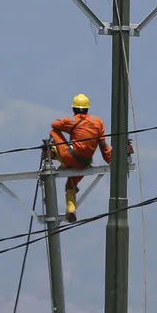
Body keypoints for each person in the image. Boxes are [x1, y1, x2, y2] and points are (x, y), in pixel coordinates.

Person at [46, 93, 113, 223]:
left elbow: (54, 125)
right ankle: (71, 209)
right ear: (87, 109)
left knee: (53, 132)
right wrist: (112, 161)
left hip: (70, 158)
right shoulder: (98, 122)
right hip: (84, 163)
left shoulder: (72, 121)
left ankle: (54, 153)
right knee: (71, 183)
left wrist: (67, 125)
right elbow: (103, 147)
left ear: (74, 108)